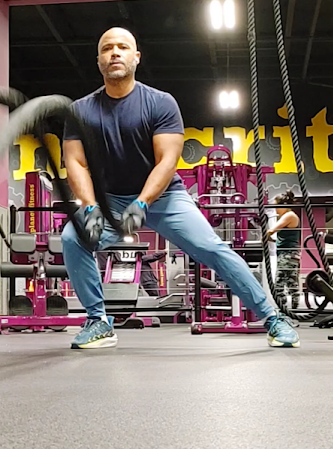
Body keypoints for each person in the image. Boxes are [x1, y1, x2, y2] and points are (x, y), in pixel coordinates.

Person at [61, 27, 299, 350]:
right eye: (107, 48)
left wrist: (142, 202)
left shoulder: (160, 103)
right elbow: (76, 163)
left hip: (164, 197)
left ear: (136, 57)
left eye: (123, 47)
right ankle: (98, 321)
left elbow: (167, 161)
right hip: (110, 200)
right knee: (72, 238)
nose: (115, 52)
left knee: (212, 249)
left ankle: (273, 318)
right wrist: (89, 206)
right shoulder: (80, 111)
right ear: (98, 60)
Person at [267, 190, 302, 311]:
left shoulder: (289, 216)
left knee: (280, 284)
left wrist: (264, 237)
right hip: (288, 253)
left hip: (288, 254)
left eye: (277, 206)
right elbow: (284, 238)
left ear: (284, 205)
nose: (275, 209)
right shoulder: (287, 216)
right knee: (291, 282)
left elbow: (271, 230)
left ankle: (285, 310)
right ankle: (292, 310)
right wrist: (271, 240)